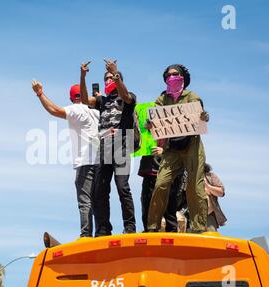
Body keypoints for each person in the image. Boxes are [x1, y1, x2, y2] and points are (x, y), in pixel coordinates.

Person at [32, 80, 100, 238]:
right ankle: (102, 232)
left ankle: (86, 235)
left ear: (71, 99)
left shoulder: (77, 109)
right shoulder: (98, 111)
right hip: (102, 162)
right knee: (99, 200)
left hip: (85, 162)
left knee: (85, 201)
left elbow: (54, 110)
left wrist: (40, 93)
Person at [147, 64, 210, 233]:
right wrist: (150, 123)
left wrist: (204, 116)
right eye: (168, 75)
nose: (171, 77)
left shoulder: (192, 97)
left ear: (183, 77)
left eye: (175, 74)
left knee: (194, 187)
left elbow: (201, 117)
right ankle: (152, 225)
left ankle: (199, 226)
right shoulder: (162, 99)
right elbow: (155, 118)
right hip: (172, 148)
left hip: (192, 146)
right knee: (161, 183)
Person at [80, 60, 137, 236]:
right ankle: (103, 229)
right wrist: (82, 76)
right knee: (100, 191)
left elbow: (126, 96)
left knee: (122, 187)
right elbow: (83, 99)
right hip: (104, 147)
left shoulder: (128, 97)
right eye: (106, 78)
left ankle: (129, 228)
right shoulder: (102, 100)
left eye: (110, 78)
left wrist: (116, 73)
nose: (107, 80)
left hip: (121, 146)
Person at [204, 163, 227, 231]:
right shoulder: (186, 176)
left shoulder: (211, 176)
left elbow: (221, 192)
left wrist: (208, 186)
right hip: (190, 216)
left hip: (208, 216)